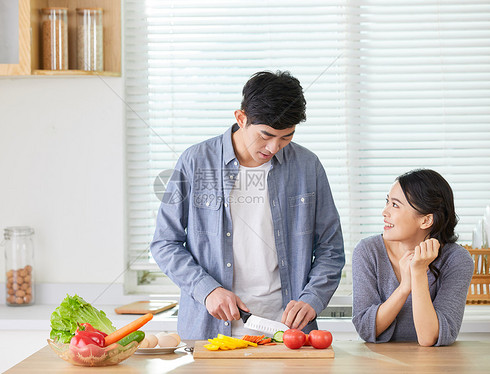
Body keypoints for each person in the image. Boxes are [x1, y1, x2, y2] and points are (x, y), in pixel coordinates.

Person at [150, 71, 345, 339]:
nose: (274, 146)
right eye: (265, 135)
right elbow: (164, 243)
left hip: (287, 333)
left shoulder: (307, 166)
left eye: (286, 137)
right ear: (241, 119)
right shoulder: (196, 162)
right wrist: (206, 289)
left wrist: (313, 297)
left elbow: (331, 249)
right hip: (210, 331)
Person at [352, 169, 474, 346]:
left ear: (425, 221)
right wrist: (404, 287)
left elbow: (429, 337)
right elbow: (365, 329)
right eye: (387, 202)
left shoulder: (457, 260)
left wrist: (417, 274)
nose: (384, 212)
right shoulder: (368, 251)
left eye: (395, 205)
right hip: (378, 363)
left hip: (434, 366)